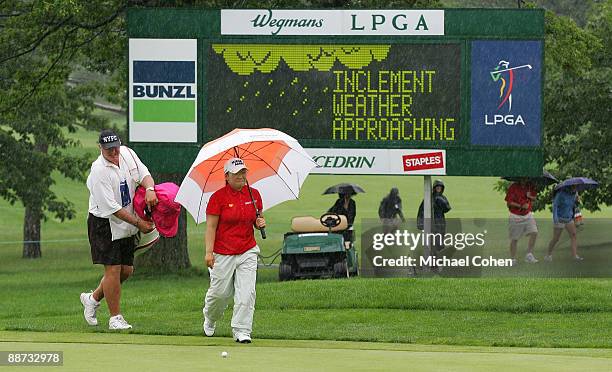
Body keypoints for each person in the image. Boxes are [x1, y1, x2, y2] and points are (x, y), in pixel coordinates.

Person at [80, 129, 157, 330]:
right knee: (113, 269)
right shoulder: (98, 170)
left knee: (126, 270)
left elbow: (144, 174)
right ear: (100, 148)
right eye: (108, 150)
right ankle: (115, 318)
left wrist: (150, 189)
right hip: (104, 222)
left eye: (115, 148)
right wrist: (140, 224)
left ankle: (93, 298)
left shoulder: (128, 154)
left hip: (128, 218)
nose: (113, 153)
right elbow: (111, 208)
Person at [203, 158, 266, 344]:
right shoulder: (218, 197)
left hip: (248, 249)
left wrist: (259, 222)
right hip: (222, 252)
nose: (241, 176)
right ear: (227, 176)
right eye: (237, 173)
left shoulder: (254, 195)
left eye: (243, 172)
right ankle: (211, 317)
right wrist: (208, 252)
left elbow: (257, 217)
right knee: (220, 294)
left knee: (246, 292)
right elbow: (211, 228)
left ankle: (242, 330)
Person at [504, 179, 539, 264]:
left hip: (528, 215)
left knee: (534, 232)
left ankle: (529, 255)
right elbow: (509, 203)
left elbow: (534, 198)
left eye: (526, 177)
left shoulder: (530, 186)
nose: (524, 179)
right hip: (515, 215)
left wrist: (530, 196)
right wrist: (521, 206)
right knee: (514, 238)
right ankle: (512, 259)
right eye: (523, 177)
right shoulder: (513, 187)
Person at [545, 185, 583, 261]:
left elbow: (574, 205)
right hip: (560, 219)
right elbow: (555, 206)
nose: (576, 189)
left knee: (574, 235)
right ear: (570, 186)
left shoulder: (575, 194)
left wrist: (577, 201)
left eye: (576, 188)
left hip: (569, 219)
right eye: (574, 187)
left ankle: (575, 256)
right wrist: (555, 219)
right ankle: (548, 255)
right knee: (556, 239)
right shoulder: (561, 194)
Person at [417, 180, 451, 253]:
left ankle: (440, 258)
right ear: (434, 188)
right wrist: (420, 223)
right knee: (431, 241)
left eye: (440, 187)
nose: (439, 189)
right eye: (437, 187)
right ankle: (431, 258)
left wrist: (441, 200)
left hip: (440, 222)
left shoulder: (443, 197)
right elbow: (421, 210)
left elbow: (447, 208)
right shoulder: (429, 197)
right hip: (431, 222)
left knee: (440, 241)